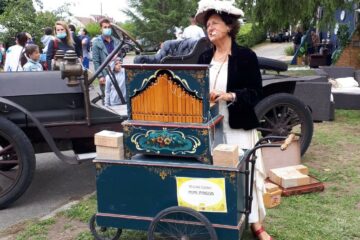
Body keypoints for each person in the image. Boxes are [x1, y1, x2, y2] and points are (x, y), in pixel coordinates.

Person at [195, 1, 273, 240]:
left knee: (245, 174)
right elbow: (195, 87)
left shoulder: (246, 56)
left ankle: (255, 224)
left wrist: (229, 95)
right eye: (207, 25)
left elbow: (255, 93)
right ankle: (218, 221)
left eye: (215, 23)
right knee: (215, 173)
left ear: (229, 26)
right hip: (211, 125)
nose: (210, 28)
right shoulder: (204, 57)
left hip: (237, 123)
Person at [92, 18, 121, 105]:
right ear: (101, 29)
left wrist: (118, 65)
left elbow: (120, 57)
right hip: (105, 74)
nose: (107, 29)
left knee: (118, 96)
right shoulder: (96, 43)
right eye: (105, 27)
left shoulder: (116, 41)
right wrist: (100, 76)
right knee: (106, 98)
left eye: (109, 27)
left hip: (117, 73)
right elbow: (96, 61)